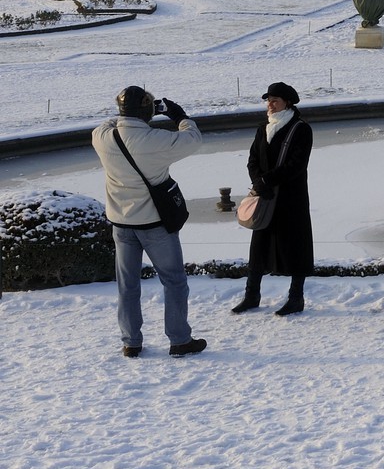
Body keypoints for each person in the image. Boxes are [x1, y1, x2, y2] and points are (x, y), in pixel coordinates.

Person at [91, 86, 206, 357]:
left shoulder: (102, 137)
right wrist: (178, 115)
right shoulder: (156, 140)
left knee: (127, 285)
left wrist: (130, 114)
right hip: (155, 224)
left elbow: (109, 123)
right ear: (146, 111)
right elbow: (193, 137)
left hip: (121, 223)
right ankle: (179, 340)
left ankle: (131, 342)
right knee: (174, 282)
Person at [233, 82, 315, 317]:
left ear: (287, 103)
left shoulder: (301, 129)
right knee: (258, 249)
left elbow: (296, 165)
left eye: (274, 100)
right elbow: (252, 159)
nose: (269, 104)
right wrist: (259, 182)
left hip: (291, 199)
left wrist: (267, 181)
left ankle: (296, 299)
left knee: (296, 249)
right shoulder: (263, 128)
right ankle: (251, 296)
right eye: (268, 100)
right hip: (265, 197)